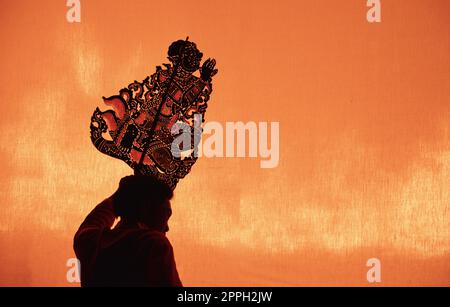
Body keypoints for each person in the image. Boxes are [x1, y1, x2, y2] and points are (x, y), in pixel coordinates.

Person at [73, 175, 182, 287]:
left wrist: (128, 189)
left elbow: (97, 217)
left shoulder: (90, 242)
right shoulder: (153, 243)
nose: (167, 228)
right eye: (166, 214)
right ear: (147, 207)